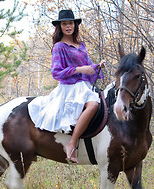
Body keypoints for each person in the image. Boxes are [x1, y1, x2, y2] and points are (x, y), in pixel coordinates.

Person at [28, 9, 105, 163]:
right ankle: (72, 143)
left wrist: (97, 66)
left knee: (102, 104)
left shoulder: (80, 45)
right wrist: (80, 70)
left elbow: (88, 65)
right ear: (60, 26)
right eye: (64, 24)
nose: (68, 26)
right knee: (93, 106)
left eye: (71, 23)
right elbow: (56, 73)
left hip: (83, 86)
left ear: (75, 25)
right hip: (70, 89)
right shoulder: (59, 47)